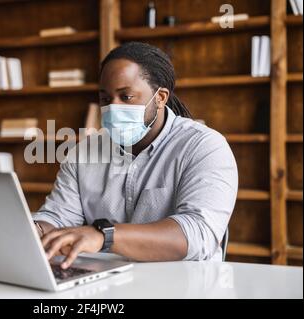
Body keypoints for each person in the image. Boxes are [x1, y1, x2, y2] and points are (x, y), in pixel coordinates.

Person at [32, 42, 238, 269]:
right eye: (105, 99)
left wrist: (104, 235)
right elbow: (58, 218)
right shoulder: (84, 153)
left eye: (126, 97)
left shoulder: (204, 147)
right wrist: (36, 229)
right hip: (107, 285)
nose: (113, 107)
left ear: (160, 98)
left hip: (184, 284)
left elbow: (198, 234)